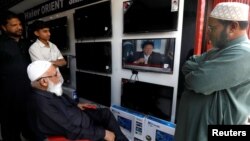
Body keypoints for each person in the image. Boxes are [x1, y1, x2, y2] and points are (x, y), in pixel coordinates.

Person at [174, 2, 250, 141]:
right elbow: (187, 65)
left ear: (233, 27)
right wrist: (202, 67)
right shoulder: (219, 50)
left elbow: (197, 81)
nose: (207, 31)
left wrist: (200, 68)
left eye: (212, 27)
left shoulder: (245, 53)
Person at [26, 60, 129, 141]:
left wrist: (76, 104)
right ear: (44, 81)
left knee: (106, 113)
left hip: (80, 115)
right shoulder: (42, 105)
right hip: (81, 128)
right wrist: (103, 133)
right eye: (55, 74)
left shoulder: (48, 89)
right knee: (109, 134)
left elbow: (64, 99)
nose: (59, 76)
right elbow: (70, 130)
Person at [0, 11, 35, 141]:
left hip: (29, 94)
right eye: (14, 25)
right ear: (4, 27)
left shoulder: (28, 43)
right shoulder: (1, 44)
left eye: (20, 24)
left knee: (32, 129)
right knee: (10, 132)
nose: (19, 27)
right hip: (7, 97)